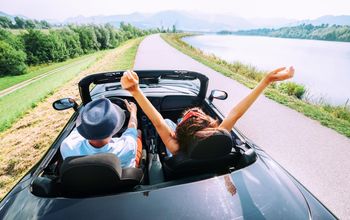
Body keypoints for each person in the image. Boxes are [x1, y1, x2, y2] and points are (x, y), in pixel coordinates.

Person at [121, 67, 294, 156]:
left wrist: (135, 90)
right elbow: (235, 113)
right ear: (210, 126)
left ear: (179, 134)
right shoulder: (219, 137)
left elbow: (158, 122)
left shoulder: (176, 149)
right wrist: (266, 81)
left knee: (167, 122)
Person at [60, 98, 142, 168]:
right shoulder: (128, 146)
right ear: (115, 128)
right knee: (138, 132)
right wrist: (133, 112)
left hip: (87, 183)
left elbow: (78, 127)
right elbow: (132, 127)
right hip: (122, 182)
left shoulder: (67, 146)